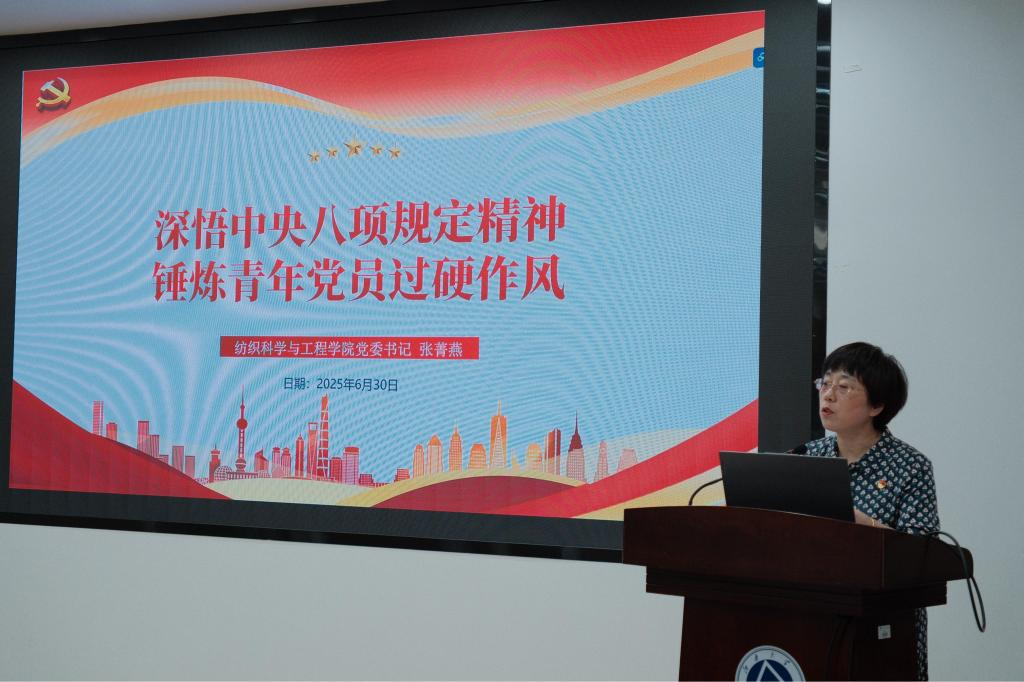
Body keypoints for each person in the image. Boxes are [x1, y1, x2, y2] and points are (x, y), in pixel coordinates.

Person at [803, 341, 939, 680]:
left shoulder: (910, 466)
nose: (828, 394)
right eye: (825, 383)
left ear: (876, 405)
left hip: (883, 622)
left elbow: (920, 553)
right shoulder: (806, 457)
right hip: (811, 611)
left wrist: (862, 522)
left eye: (844, 387)